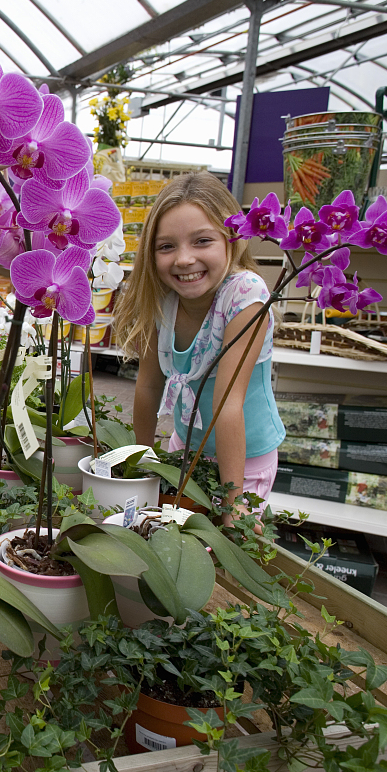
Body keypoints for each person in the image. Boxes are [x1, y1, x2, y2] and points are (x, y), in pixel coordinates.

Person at [112, 173, 285, 520]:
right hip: (186, 446)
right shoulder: (160, 297)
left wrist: (233, 507)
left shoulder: (245, 296)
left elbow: (227, 405)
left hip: (245, 458)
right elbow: (147, 386)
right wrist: (139, 464)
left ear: (231, 240)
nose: (184, 260)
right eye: (166, 246)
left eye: (202, 241)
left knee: (225, 549)